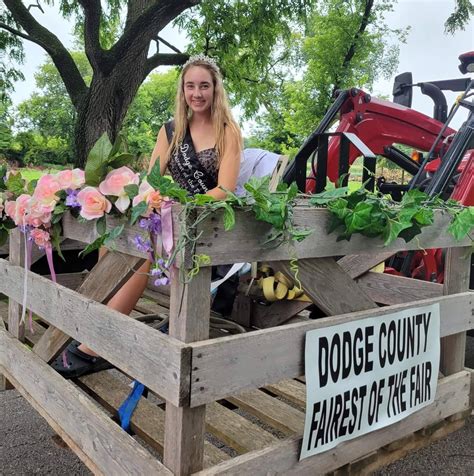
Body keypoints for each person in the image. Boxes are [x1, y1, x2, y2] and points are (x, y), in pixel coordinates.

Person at [52, 54, 242, 378]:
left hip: (202, 228)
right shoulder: (170, 130)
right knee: (112, 239)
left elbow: (224, 190)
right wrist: (146, 198)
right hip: (166, 218)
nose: (197, 93)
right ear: (182, 90)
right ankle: (104, 320)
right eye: (190, 86)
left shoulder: (228, 132)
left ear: (215, 89)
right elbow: (155, 177)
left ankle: (98, 345)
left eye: (204, 86)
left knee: (143, 252)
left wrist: (180, 206)